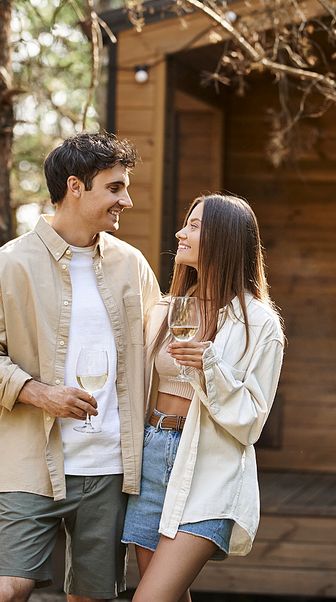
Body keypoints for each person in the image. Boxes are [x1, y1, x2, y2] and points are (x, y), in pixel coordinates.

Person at [0, 132, 161, 602]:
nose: (126, 200)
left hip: (111, 466)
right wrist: (37, 392)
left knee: (92, 597)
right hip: (30, 461)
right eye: (115, 188)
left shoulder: (133, 266)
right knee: (7, 590)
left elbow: (159, 346)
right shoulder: (6, 266)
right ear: (75, 186)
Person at [122, 194, 285, 602]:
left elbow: (250, 421)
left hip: (209, 470)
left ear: (225, 238)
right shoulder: (166, 310)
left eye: (194, 226)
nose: (180, 233)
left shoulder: (261, 325)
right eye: (186, 223)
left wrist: (209, 366)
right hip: (151, 456)